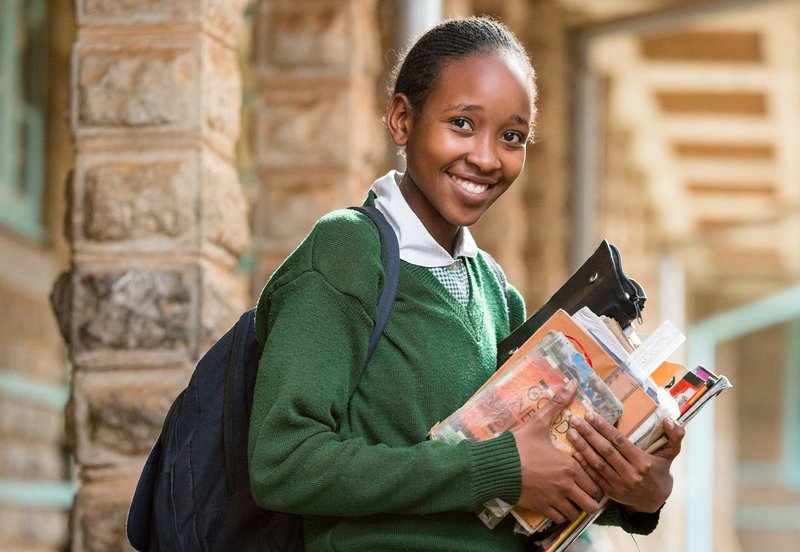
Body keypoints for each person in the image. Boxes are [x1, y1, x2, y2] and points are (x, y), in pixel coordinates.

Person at [247, 16, 684, 552]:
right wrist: (496, 467)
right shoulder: (349, 253)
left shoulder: (494, 290)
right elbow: (282, 462)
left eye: (511, 136)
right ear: (402, 121)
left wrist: (637, 494)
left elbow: (519, 487)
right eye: (461, 123)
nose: (485, 157)